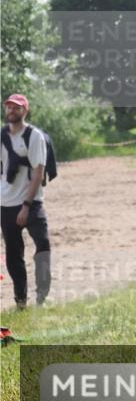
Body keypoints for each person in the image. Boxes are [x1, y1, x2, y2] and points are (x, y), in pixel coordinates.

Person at [1, 94, 52, 308]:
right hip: (5, 203)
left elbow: (38, 174)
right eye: (9, 107)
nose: (12, 110)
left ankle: (42, 294)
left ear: (25, 111)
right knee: (13, 254)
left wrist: (26, 206)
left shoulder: (34, 136)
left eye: (17, 107)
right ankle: (20, 300)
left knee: (43, 244)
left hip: (31, 203)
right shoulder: (2, 135)